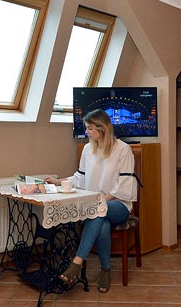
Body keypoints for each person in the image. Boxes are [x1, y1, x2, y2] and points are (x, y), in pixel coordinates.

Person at [46, 109, 138, 293]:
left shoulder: (123, 149)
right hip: (98, 207)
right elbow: (79, 177)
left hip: (119, 204)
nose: (86, 132)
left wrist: (100, 201)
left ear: (102, 128)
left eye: (89, 128)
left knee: (98, 210)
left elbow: (124, 185)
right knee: (101, 223)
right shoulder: (88, 149)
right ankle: (105, 270)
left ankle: (77, 262)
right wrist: (58, 182)